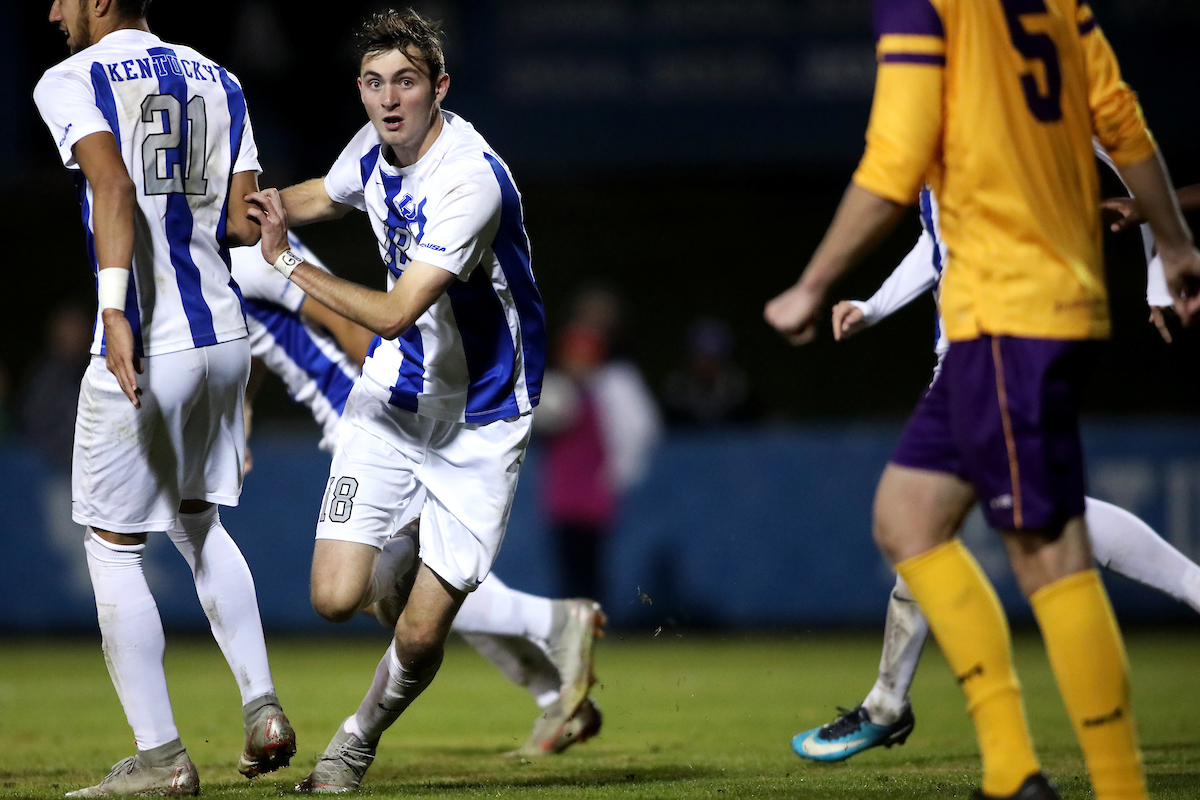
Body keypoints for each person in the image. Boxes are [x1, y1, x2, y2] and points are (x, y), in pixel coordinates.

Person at [764, 1, 1200, 798]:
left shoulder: (922, 7)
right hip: (1017, 316)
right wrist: (1170, 248)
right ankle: (978, 755)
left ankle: (1095, 781)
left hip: (1007, 317)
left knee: (1046, 544)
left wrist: (814, 282)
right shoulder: (1052, 7)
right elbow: (1122, 125)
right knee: (911, 517)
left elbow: (891, 160)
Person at [243, 9, 552, 791]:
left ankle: (353, 743)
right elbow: (322, 195)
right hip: (395, 397)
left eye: (406, 83)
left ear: (438, 88)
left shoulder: (468, 178)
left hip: (482, 417)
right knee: (334, 598)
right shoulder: (374, 148)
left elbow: (393, 311)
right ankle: (413, 538)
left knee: (416, 638)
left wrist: (283, 264)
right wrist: (250, 207)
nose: (390, 99)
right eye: (375, 83)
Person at [791, 177, 1200, 763]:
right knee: (1028, 520)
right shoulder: (957, 118)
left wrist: (1160, 270)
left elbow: (1134, 158)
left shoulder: (996, 103)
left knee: (924, 522)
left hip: (995, 343)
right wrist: (874, 305)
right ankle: (893, 707)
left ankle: (905, 714)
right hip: (987, 346)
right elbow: (940, 242)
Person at [33, 1, 296, 795]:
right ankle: (264, 709)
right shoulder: (220, 76)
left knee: (112, 546)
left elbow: (110, 186)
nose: (52, 11)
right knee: (196, 524)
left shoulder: (71, 77)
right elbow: (249, 222)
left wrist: (112, 305)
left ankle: (160, 760)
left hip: (146, 342)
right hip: (222, 339)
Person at [231, 236, 604, 757]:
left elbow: (347, 325)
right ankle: (557, 693)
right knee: (420, 590)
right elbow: (262, 333)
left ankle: (556, 625)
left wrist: (402, 415)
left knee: (403, 589)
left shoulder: (246, 251)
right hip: (358, 416)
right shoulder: (215, 251)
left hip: (367, 419)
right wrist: (244, 408)